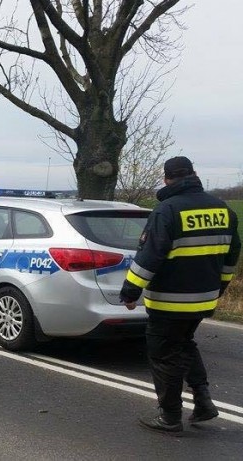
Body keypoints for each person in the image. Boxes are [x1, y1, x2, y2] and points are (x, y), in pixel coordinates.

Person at [119, 156, 240, 433]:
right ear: (194, 174)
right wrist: (219, 287)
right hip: (205, 298)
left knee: (163, 355)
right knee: (184, 344)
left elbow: (150, 257)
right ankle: (204, 402)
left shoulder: (167, 210)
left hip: (169, 301)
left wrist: (130, 292)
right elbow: (231, 256)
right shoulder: (223, 210)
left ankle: (170, 416)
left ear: (166, 179)